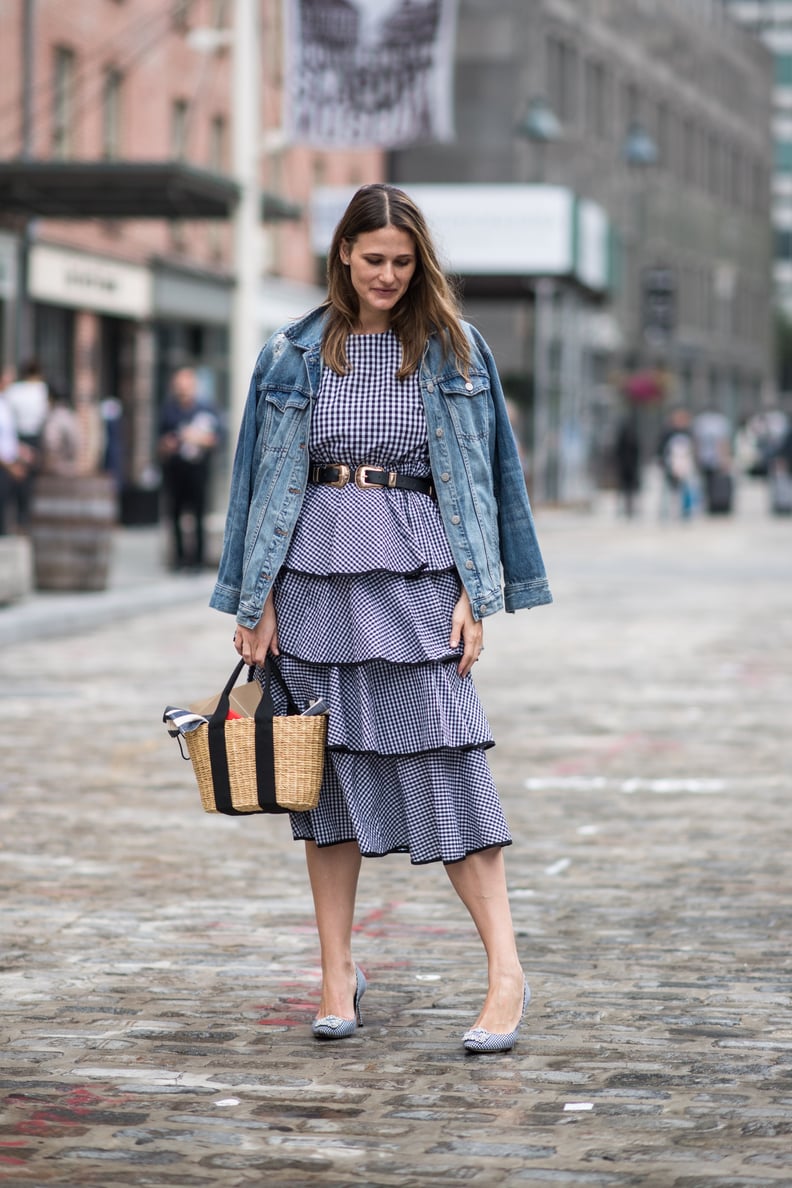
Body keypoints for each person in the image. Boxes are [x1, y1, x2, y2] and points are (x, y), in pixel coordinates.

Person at [211, 184, 552, 1053]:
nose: (389, 276)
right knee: (322, 788)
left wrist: (483, 594)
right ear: (343, 257)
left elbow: (490, 480)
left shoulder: (456, 350)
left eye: (403, 262)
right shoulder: (288, 355)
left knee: (450, 771)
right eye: (374, 261)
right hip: (311, 577)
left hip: (418, 579)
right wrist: (254, 604)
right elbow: (253, 486)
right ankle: (335, 972)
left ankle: (507, 974)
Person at [158, 367, 219, 570]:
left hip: (198, 469)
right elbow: (161, 441)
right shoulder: (169, 410)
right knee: (174, 514)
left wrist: (195, 437)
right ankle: (179, 558)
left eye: (186, 388)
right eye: (179, 388)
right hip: (175, 469)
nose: (182, 392)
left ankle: (198, 559)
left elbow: (216, 438)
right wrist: (167, 444)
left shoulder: (206, 409)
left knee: (199, 515)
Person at [4, 358, 48, 529]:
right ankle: (24, 519)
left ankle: (14, 519)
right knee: (29, 482)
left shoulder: (14, 391)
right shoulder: (41, 390)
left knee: (15, 479)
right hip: (33, 438)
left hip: (17, 437)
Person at [657, 406, 698, 519]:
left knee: (686, 488)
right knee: (668, 489)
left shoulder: (688, 432)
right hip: (670, 464)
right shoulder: (668, 432)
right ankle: (666, 512)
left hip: (685, 464)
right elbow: (661, 448)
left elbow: (693, 448)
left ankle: (686, 511)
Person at [39, 386, 82, 476]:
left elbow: (50, 442)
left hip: (56, 469)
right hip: (71, 467)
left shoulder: (54, 417)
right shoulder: (70, 416)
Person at [613, 410, 641, 518]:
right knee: (625, 488)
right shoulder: (629, 436)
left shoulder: (631, 436)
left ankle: (628, 508)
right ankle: (624, 508)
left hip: (628, 466)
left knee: (628, 489)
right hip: (626, 466)